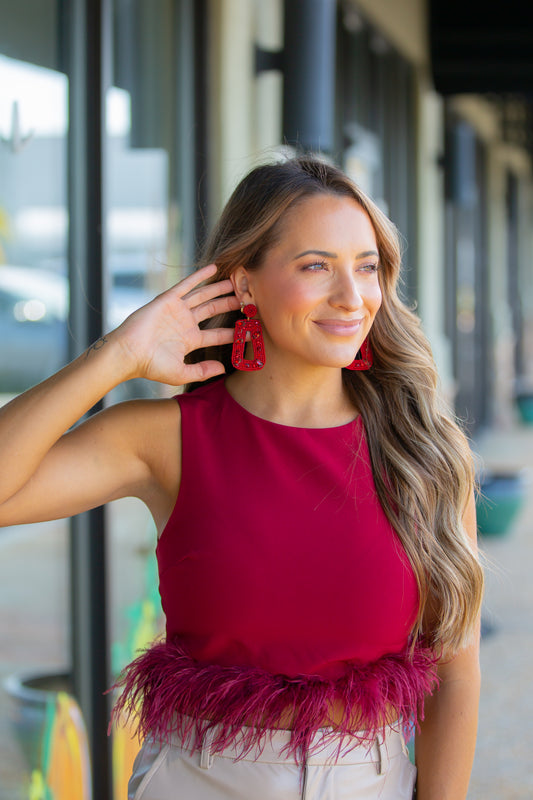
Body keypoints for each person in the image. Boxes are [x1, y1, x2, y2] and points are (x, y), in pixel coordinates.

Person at [0, 156, 483, 800]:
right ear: (245, 285)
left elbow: (456, 668)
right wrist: (117, 355)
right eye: (316, 266)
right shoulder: (168, 437)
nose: (352, 296)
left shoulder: (422, 451)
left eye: (366, 266)